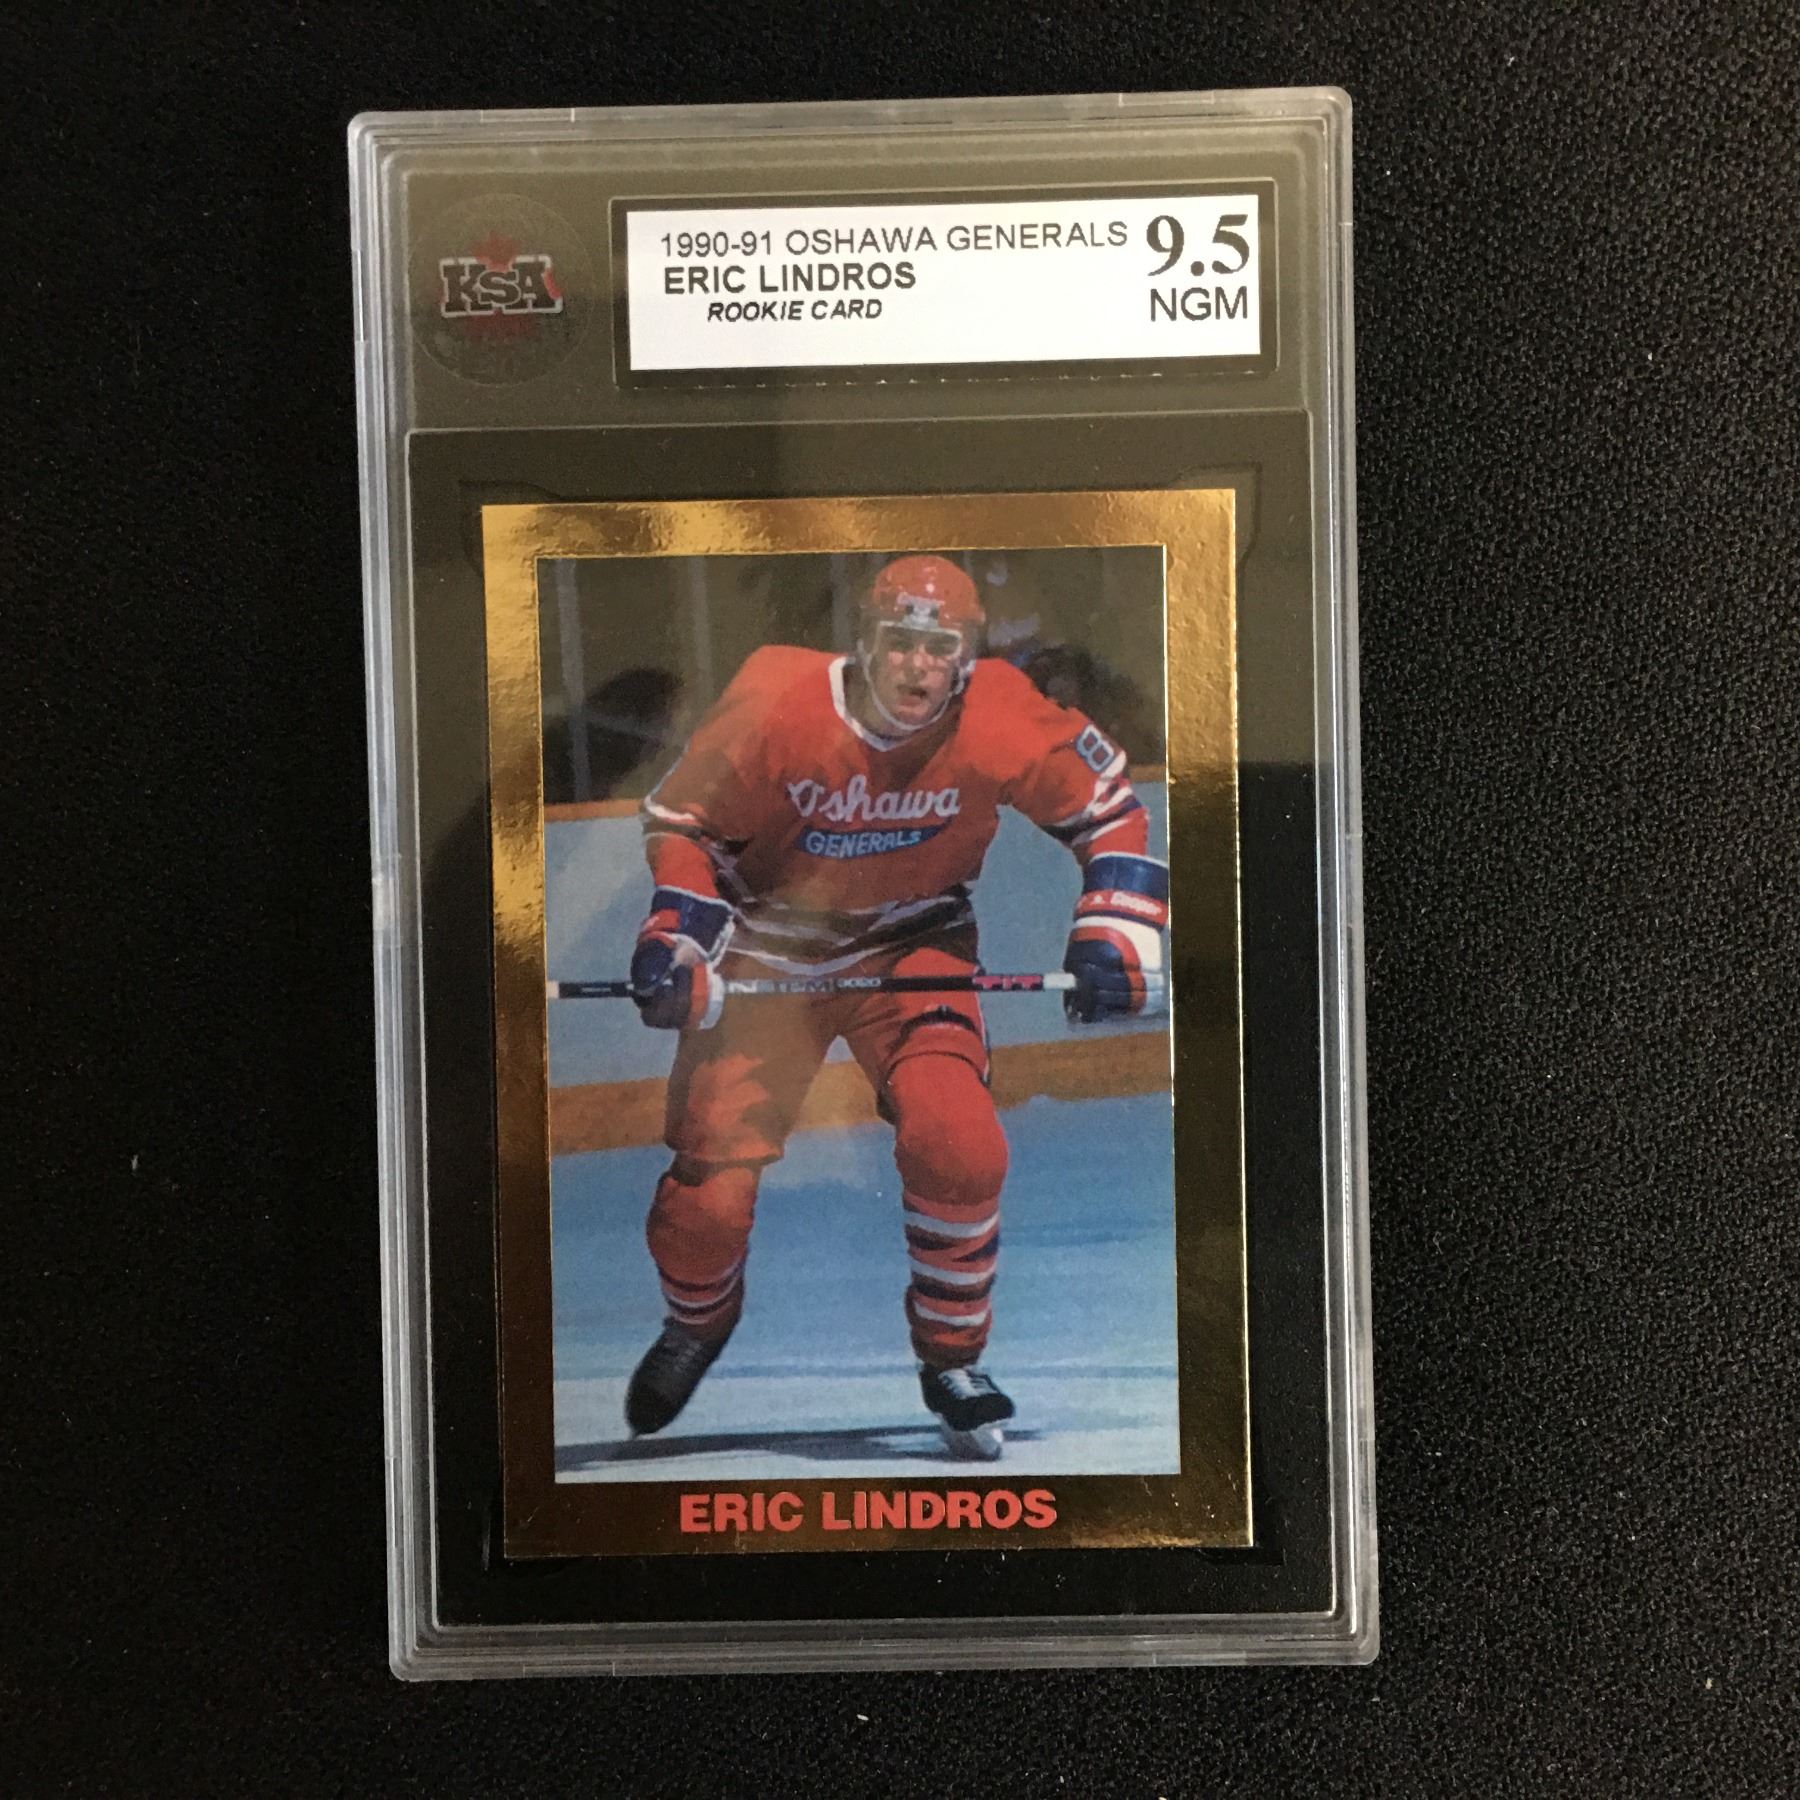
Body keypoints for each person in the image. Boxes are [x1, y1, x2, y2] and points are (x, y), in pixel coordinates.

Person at [624, 554, 1169, 1459]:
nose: (918, 665)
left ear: (967, 655)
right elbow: (686, 825)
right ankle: (697, 1323)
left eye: (940, 646)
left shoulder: (1000, 710)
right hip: (770, 949)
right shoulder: (777, 696)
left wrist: (1115, 933)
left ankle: (953, 1361)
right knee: (705, 1206)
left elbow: (1108, 813)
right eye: (900, 641)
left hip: (914, 947)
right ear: (865, 642)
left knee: (960, 1141)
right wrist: (678, 936)